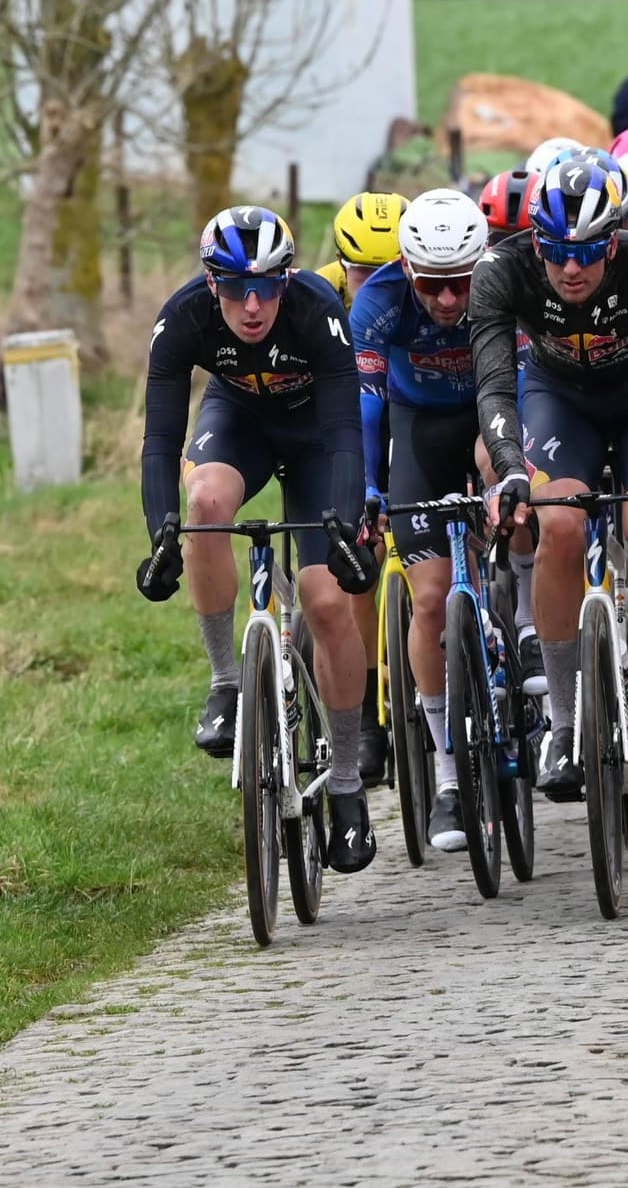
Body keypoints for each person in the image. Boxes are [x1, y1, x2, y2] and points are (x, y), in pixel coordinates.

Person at [134, 206, 379, 874]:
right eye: (236, 287)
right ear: (210, 284)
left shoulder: (317, 307)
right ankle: (224, 683)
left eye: (268, 286)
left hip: (314, 435)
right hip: (238, 419)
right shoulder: (183, 315)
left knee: (326, 599)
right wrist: (161, 533)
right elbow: (160, 441)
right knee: (206, 501)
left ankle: (350, 783)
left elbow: (344, 432)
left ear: (288, 280)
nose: (252, 304)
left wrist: (347, 524)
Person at [466, 158, 628, 801]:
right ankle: (566, 725)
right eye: (556, 252)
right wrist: (511, 468)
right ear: (536, 243)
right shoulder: (501, 270)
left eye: (587, 253)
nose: (570, 269)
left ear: (614, 241)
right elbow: (493, 388)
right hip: (559, 399)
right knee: (560, 525)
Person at [351, 188, 492, 853]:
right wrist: (371, 490)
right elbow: (367, 408)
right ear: (408, 270)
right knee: (430, 600)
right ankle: (445, 775)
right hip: (416, 430)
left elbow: (520, 387)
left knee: (511, 484)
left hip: (489, 418)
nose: (447, 301)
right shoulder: (376, 302)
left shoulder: (499, 287)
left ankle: (522, 635)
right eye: (433, 286)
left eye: (460, 284)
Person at [318, 190, 407, 784]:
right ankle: (370, 712)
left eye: (388, 270)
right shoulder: (318, 294)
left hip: (412, 406)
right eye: (361, 271)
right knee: (358, 553)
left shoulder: (425, 285)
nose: (373, 282)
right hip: (344, 417)